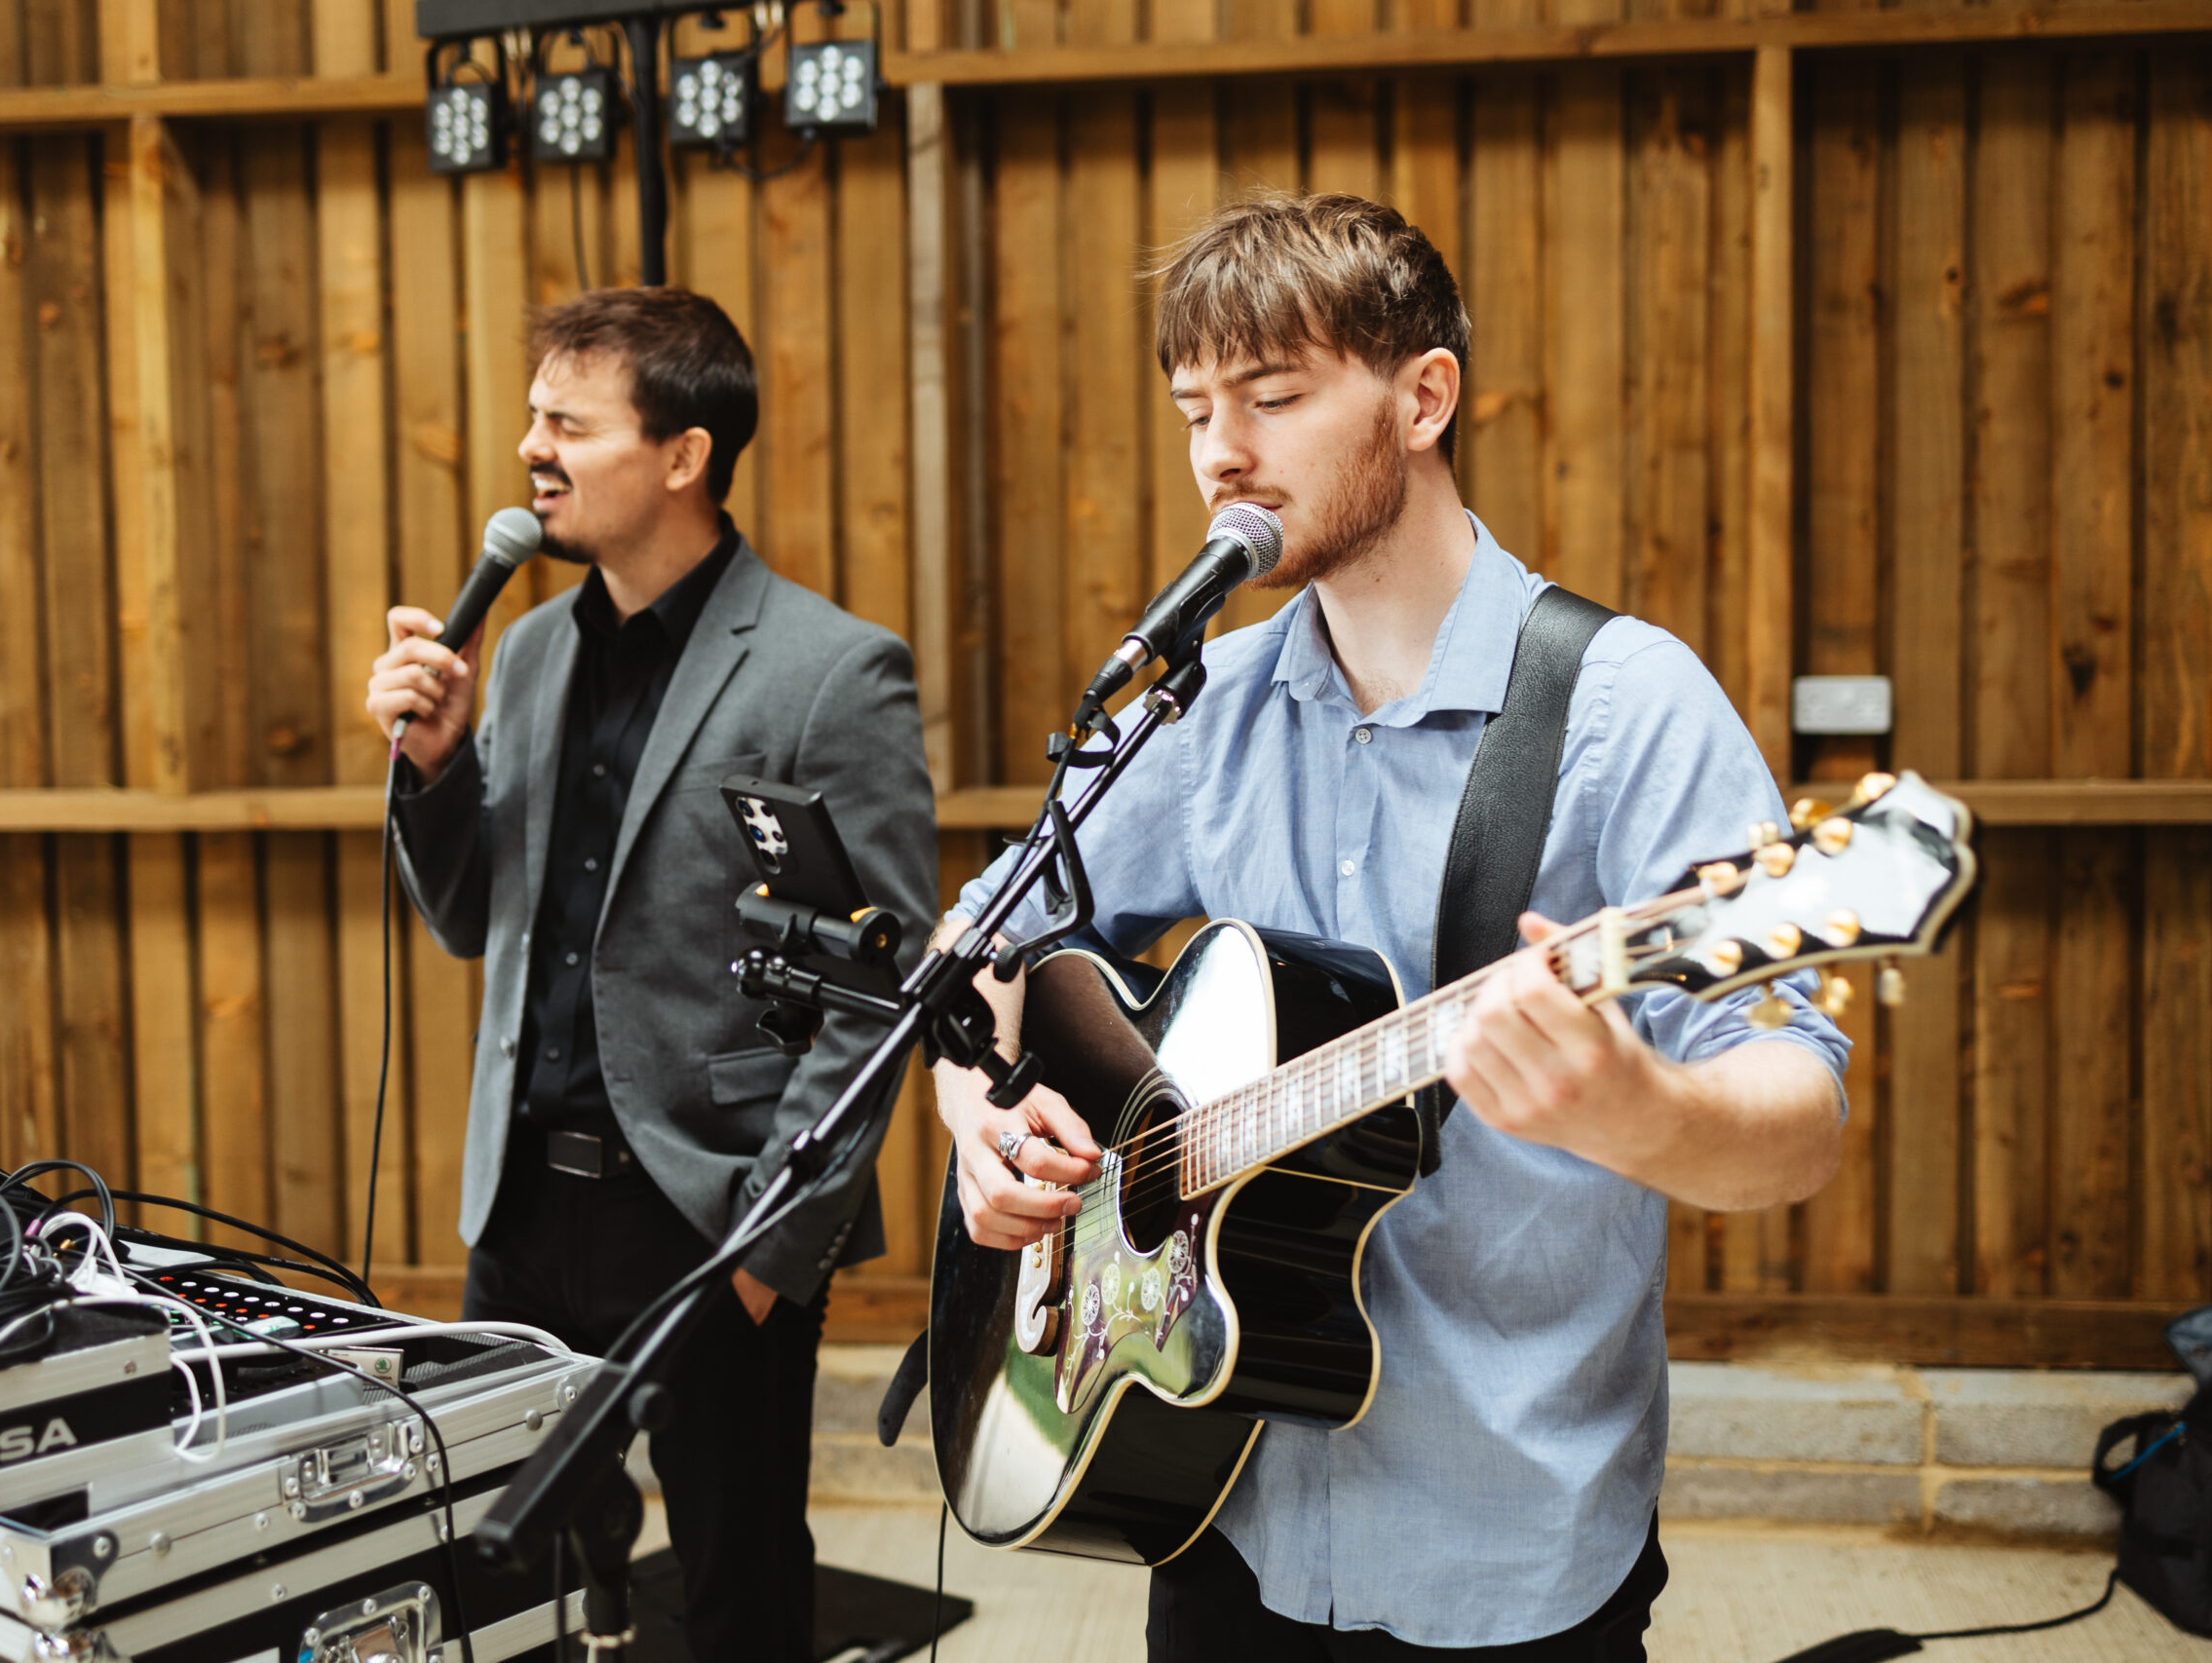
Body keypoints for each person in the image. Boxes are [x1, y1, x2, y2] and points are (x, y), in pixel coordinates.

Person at [932, 194, 1853, 1659]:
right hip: (1215, 1486)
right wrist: (977, 1112)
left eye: (1274, 397)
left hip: (1508, 1538)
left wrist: (1643, 1108)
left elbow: (1802, 1115)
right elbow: (979, 946)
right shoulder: (1201, 706)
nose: (1220, 451)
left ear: (1425, 398)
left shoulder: (1625, 704)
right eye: (1193, 410)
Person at [366, 285, 937, 1663]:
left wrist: (772, 1249)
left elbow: (886, 980)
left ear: (682, 455)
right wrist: (434, 771)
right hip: (519, 1205)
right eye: (531, 419)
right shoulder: (532, 652)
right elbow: (468, 921)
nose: (531, 451)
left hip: (705, 1215)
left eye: (569, 423)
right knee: (514, 1577)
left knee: (738, 1584)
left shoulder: (827, 671)